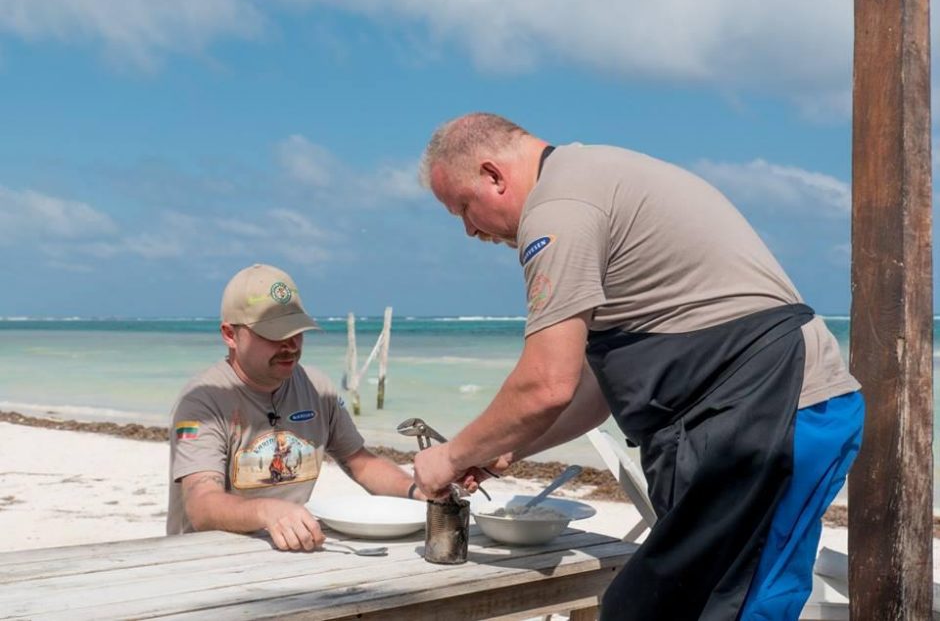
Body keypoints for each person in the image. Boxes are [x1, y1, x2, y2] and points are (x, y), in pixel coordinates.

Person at [412, 113, 864, 620]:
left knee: (703, 608)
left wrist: (449, 457)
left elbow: (546, 383)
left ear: (493, 175)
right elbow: (591, 391)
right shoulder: (591, 176)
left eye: (463, 209)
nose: (470, 230)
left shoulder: (558, 210)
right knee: (713, 601)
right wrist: (504, 448)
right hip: (780, 405)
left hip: (769, 410)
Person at [166, 263, 422, 551]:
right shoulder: (203, 401)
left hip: (289, 552)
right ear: (230, 334)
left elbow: (361, 464)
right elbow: (202, 505)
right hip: (204, 561)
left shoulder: (318, 389)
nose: (289, 344)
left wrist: (417, 492)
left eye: (296, 331)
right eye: (273, 334)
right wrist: (268, 512)